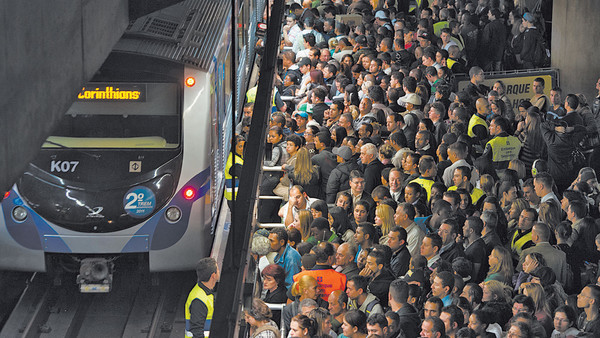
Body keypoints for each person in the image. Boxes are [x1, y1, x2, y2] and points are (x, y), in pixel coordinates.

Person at [185, 257, 219, 338]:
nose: (219, 271)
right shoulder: (198, 300)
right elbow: (197, 331)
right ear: (213, 276)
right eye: (217, 269)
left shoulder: (204, 291)